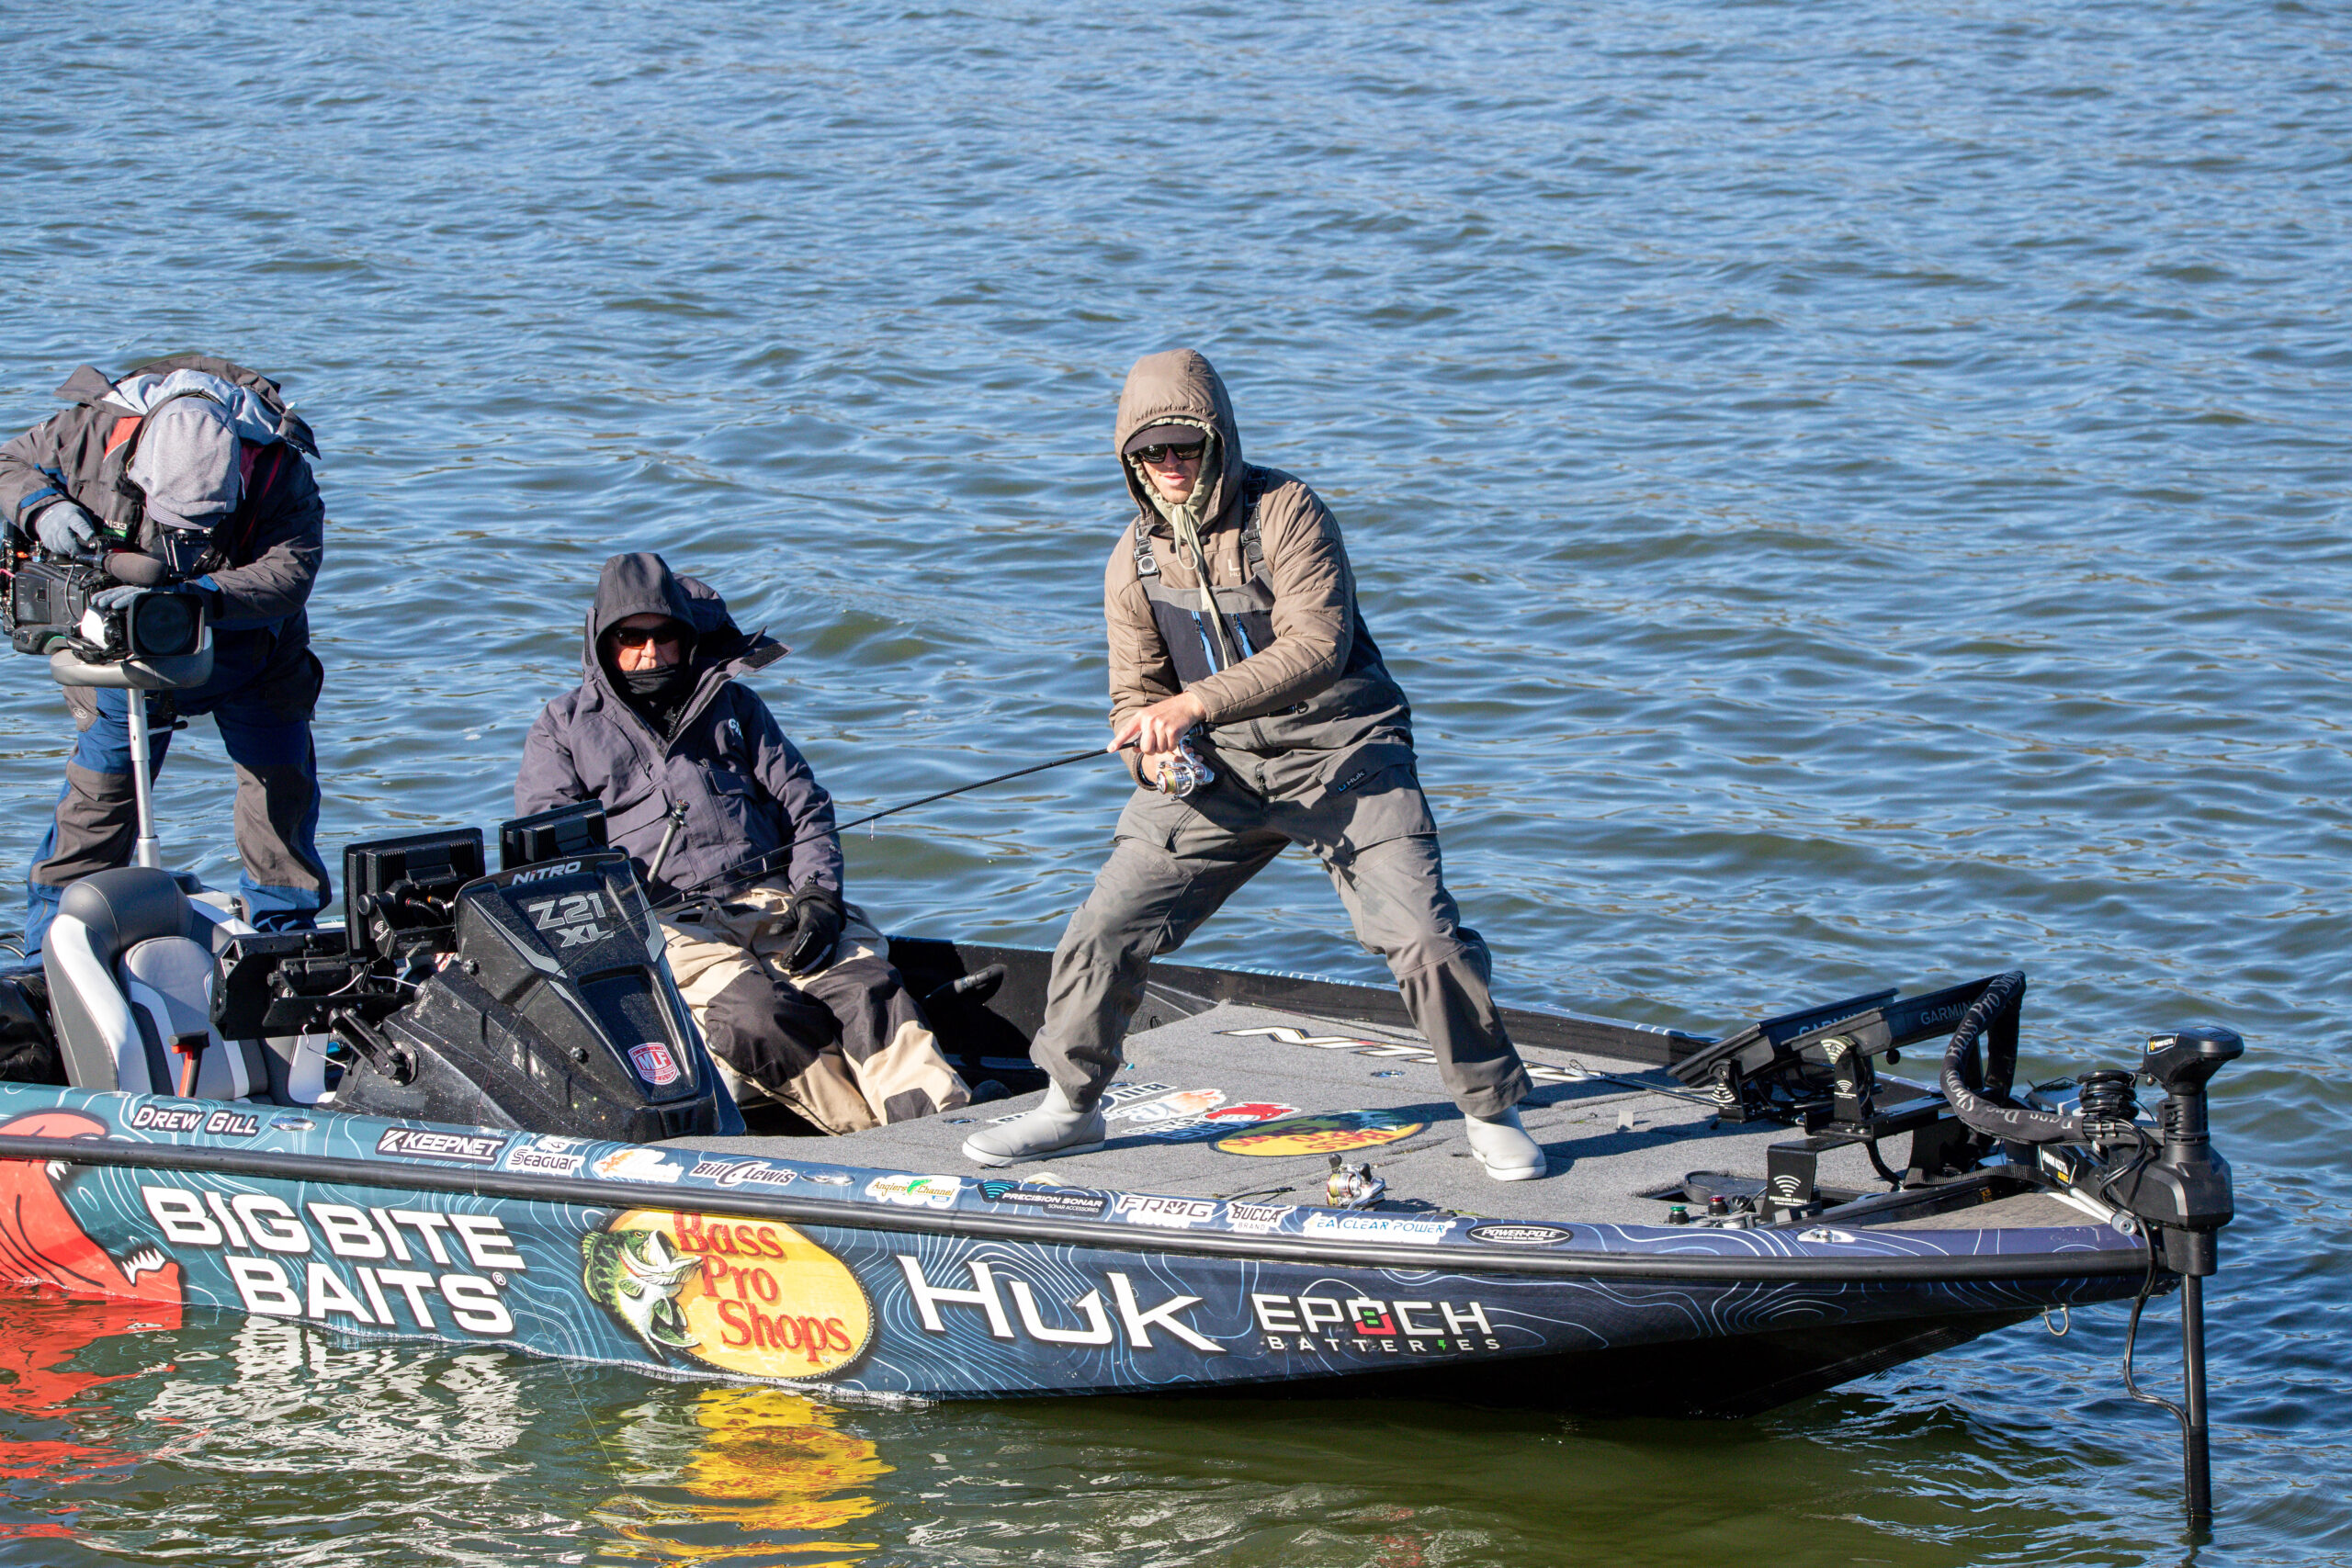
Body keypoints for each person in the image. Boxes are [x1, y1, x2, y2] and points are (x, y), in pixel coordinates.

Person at [962, 349, 1546, 1180]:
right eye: (1150, 454)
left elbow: (1318, 644)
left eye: (1184, 449)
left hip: (1346, 758)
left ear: (1218, 442)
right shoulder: (1130, 560)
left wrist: (1192, 705)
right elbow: (1134, 696)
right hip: (1221, 776)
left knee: (1424, 937)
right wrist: (1152, 754)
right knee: (1103, 926)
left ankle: (1491, 1106)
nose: (1168, 468)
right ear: (1129, 458)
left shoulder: (1289, 511)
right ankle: (1070, 1105)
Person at [515, 552, 969, 1134]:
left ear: (685, 639)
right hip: (671, 926)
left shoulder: (738, 707)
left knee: (866, 989)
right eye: (631, 638)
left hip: (774, 898)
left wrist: (819, 897)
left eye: (664, 637)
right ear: (604, 642)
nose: (649, 653)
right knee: (755, 1018)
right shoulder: (562, 726)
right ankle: (879, 1143)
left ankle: (945, 1132)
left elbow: (805, 804)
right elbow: (555, 850)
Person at [1, 356, 332, 958]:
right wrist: (45, 510)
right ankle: (43, 955)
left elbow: (289, 575)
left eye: (203, 529)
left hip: (254, 648)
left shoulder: (281, 467)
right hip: (123, 650)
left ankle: (287, 948)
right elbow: (8, 463)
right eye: (176, 528)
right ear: (136, 470)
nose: (187, 544)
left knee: (278, 799)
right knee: (99, 805)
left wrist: (197, 595)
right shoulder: (91, 432)